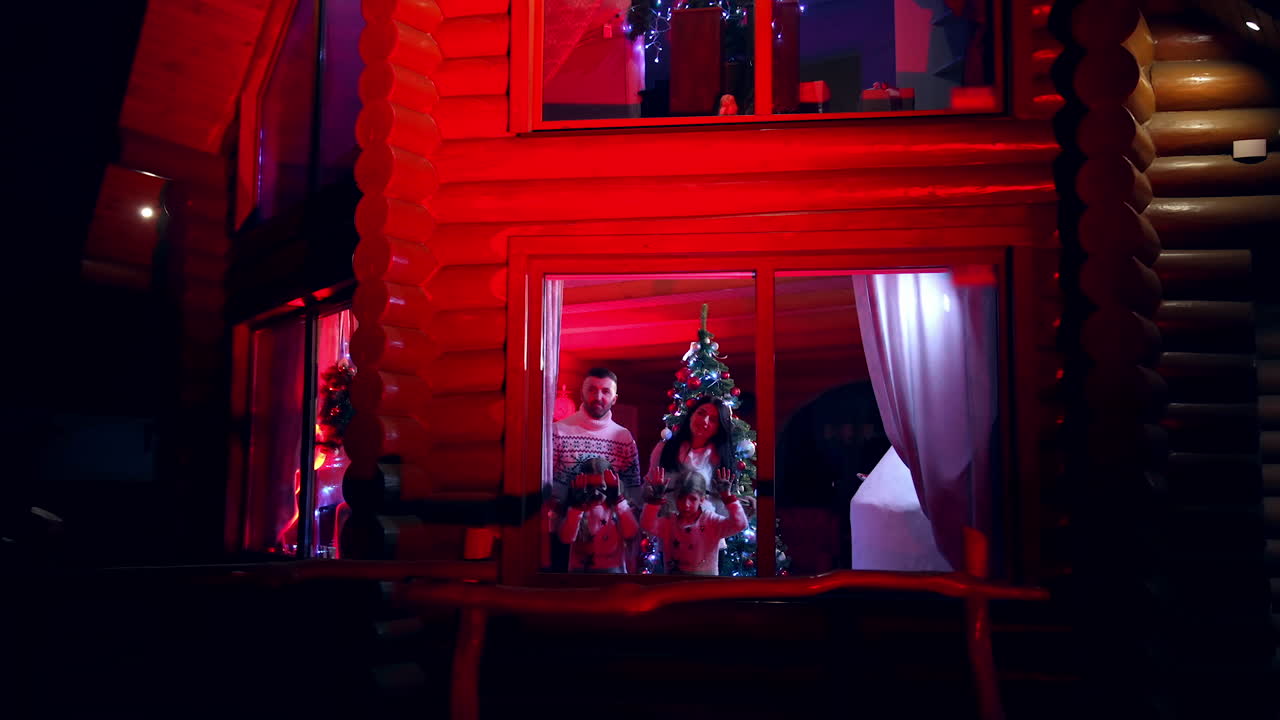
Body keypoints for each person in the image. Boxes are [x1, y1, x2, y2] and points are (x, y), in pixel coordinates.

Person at [547, 368, 642, 571]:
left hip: (611, 544)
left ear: (614, 398)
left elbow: (634, 491)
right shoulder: (558, 431)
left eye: (605, 391)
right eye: (592, 390)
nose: (598, 397)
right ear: (582, 392)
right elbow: (546, 485)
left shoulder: (623, 438)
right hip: (564, 539)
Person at [640, 468, 747, 575]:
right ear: (675, 498)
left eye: (693, 499)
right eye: (681, 498)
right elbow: (647, 525)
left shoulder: (711, 521)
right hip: (675, 585)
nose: (686, 504)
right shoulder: (670, 523)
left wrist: (727, 498)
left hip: (704, 586)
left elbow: (740, 524)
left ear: (702, 499)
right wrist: (655, 501)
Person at [557, 457, 639, 573]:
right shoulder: (576, 510)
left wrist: (618, 501)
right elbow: (566, 538)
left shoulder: (618, 509)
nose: (595, 493)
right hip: (581, 576)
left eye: (601, 487)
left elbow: (631, 533)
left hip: (614, 576)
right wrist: (577, 507)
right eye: (590, 487)